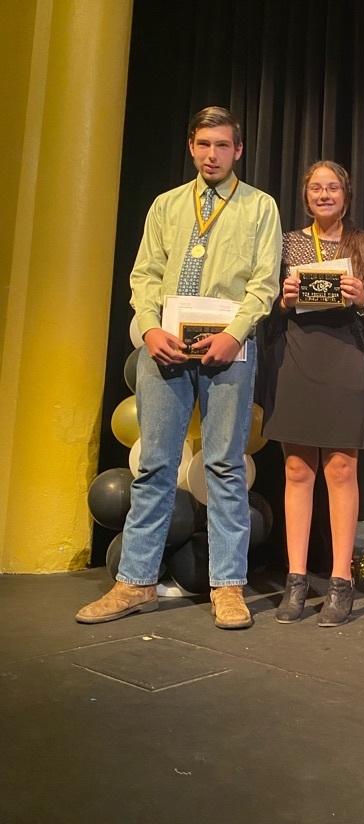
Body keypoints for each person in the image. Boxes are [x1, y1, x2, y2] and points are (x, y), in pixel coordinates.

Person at [77, 106, 282, 629]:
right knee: (155, 467)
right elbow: (144, 274)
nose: (212, 155)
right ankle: (136, 582)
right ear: (191, 147)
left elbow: (264, 283)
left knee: (224, 467)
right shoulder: (166, 205)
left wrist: (233, 335)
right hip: (164, 347)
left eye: (222, 146)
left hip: (228, 350)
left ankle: (228, 587)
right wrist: (148, 329)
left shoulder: (260, 207)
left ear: (238, 151)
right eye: (203, 145)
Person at [262, 161, 364, 626]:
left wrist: (359, 297)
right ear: (306, 194)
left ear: (345, 195)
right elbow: (268, 302)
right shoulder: (289, 241)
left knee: (341, 469)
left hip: (347, 358)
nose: (325, 194)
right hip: (299, 355)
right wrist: (284, 297)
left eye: (333, 187)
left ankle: (340, 581)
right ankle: (295, 581)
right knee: (295, 469)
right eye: (316, 188)